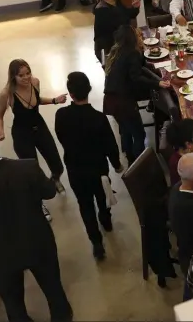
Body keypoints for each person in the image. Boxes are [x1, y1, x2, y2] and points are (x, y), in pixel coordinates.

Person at [0, 132, 73, 322]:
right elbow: (49, 192)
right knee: (53, 289)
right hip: (37, 242)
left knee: (13, 303)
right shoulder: (27, 167)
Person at [55, 72, 124, 260]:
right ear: (89, 90)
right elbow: (110, 145)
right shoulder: (99, 118)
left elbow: (61, 137)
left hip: (76, 171)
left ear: (70, 93)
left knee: (85, 205)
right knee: (102, 197)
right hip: (99, 170)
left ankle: (96, 242)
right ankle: (106, 220)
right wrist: (117, 165)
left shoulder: (61, 115)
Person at [0, 59, 67, 222]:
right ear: (13, 77)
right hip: (22, 133)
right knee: (31, 171)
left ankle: (54, 180)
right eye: (21, 75)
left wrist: (55, 100)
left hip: (39, 127)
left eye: (28, 73)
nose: (26, 78)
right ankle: (39, 202)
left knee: (57, 164)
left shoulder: (35, 82)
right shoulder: (7, 93)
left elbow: (37, 100)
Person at [103, 25, 171, 165]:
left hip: (111, 100)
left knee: (126, 131)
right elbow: (136, 77)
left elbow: (140, 68)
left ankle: (130, 160)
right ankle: (140, 164)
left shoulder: (118, 51)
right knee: (139, 134)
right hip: (123, 102)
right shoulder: (132, 54)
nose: (141, 37)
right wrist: (157, 84)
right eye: (138, 35)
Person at [93, 0, 141, 64]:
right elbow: (119, 29)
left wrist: (135, 8)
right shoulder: (102, 11)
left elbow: (126, 15)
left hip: (119, 44)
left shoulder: (115, 3)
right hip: (108, 50)